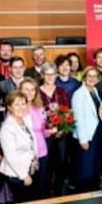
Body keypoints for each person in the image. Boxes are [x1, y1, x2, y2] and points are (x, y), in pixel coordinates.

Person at [0, 92, 41, 203]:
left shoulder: (25, 119)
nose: (21, 107)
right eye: (17, 104)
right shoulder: (7, 128)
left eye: (23, 104)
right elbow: (10, 156)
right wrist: (23, 175)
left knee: (31, 201)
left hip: (30, 168)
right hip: (17, 174)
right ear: (9, 107)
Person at [40, 63, 73, 195]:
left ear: (56, 75)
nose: (49, 77)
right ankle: (46, 195)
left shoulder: (61, 92)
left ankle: (59, 194)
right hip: (44, 136)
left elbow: (68, 113)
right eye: (47, 74)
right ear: (42, 75)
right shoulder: (37, 92)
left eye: (52, 74)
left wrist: (62, 129)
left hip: (61, 135)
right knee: (46, 167)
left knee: (61, 165)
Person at [72, 67, 102, 192]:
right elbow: (78, 118)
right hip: (86, 135)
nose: (91, 79)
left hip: (96, 133)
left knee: (95, 164)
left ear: (98, 79)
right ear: (84, 77)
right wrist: (83, 140)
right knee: (85, 166)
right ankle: (84, 191)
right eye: (89, 76)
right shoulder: (78, 94)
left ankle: (94, 188)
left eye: (94, 76)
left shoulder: (95, 91)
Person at [18, 78, 52, 198]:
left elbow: (43, 132)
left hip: (41, 152)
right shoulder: (16, 109)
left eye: (33, 90)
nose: (30, 92)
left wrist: (51, 131)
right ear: (20, 91)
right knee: (27, 189)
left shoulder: (40, 108)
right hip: (25, 155)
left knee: (41, 186)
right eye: (26, 89)